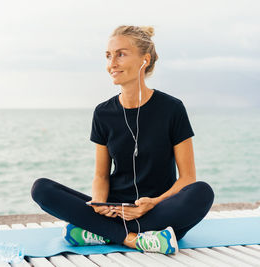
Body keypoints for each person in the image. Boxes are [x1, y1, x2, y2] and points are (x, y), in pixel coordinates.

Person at [31, 25, 214, 255]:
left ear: (144, 60)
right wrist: (99, 205)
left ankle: (102, 233)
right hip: (116, 210)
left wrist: (153, 203)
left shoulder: (172, 109)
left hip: (160, 209)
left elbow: (187, 178)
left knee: (202, 192)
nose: (112, 63)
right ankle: (135, 239)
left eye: (121, 54)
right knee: (42, 189)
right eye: (108, 56)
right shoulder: (103, 113)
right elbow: (100, 175)